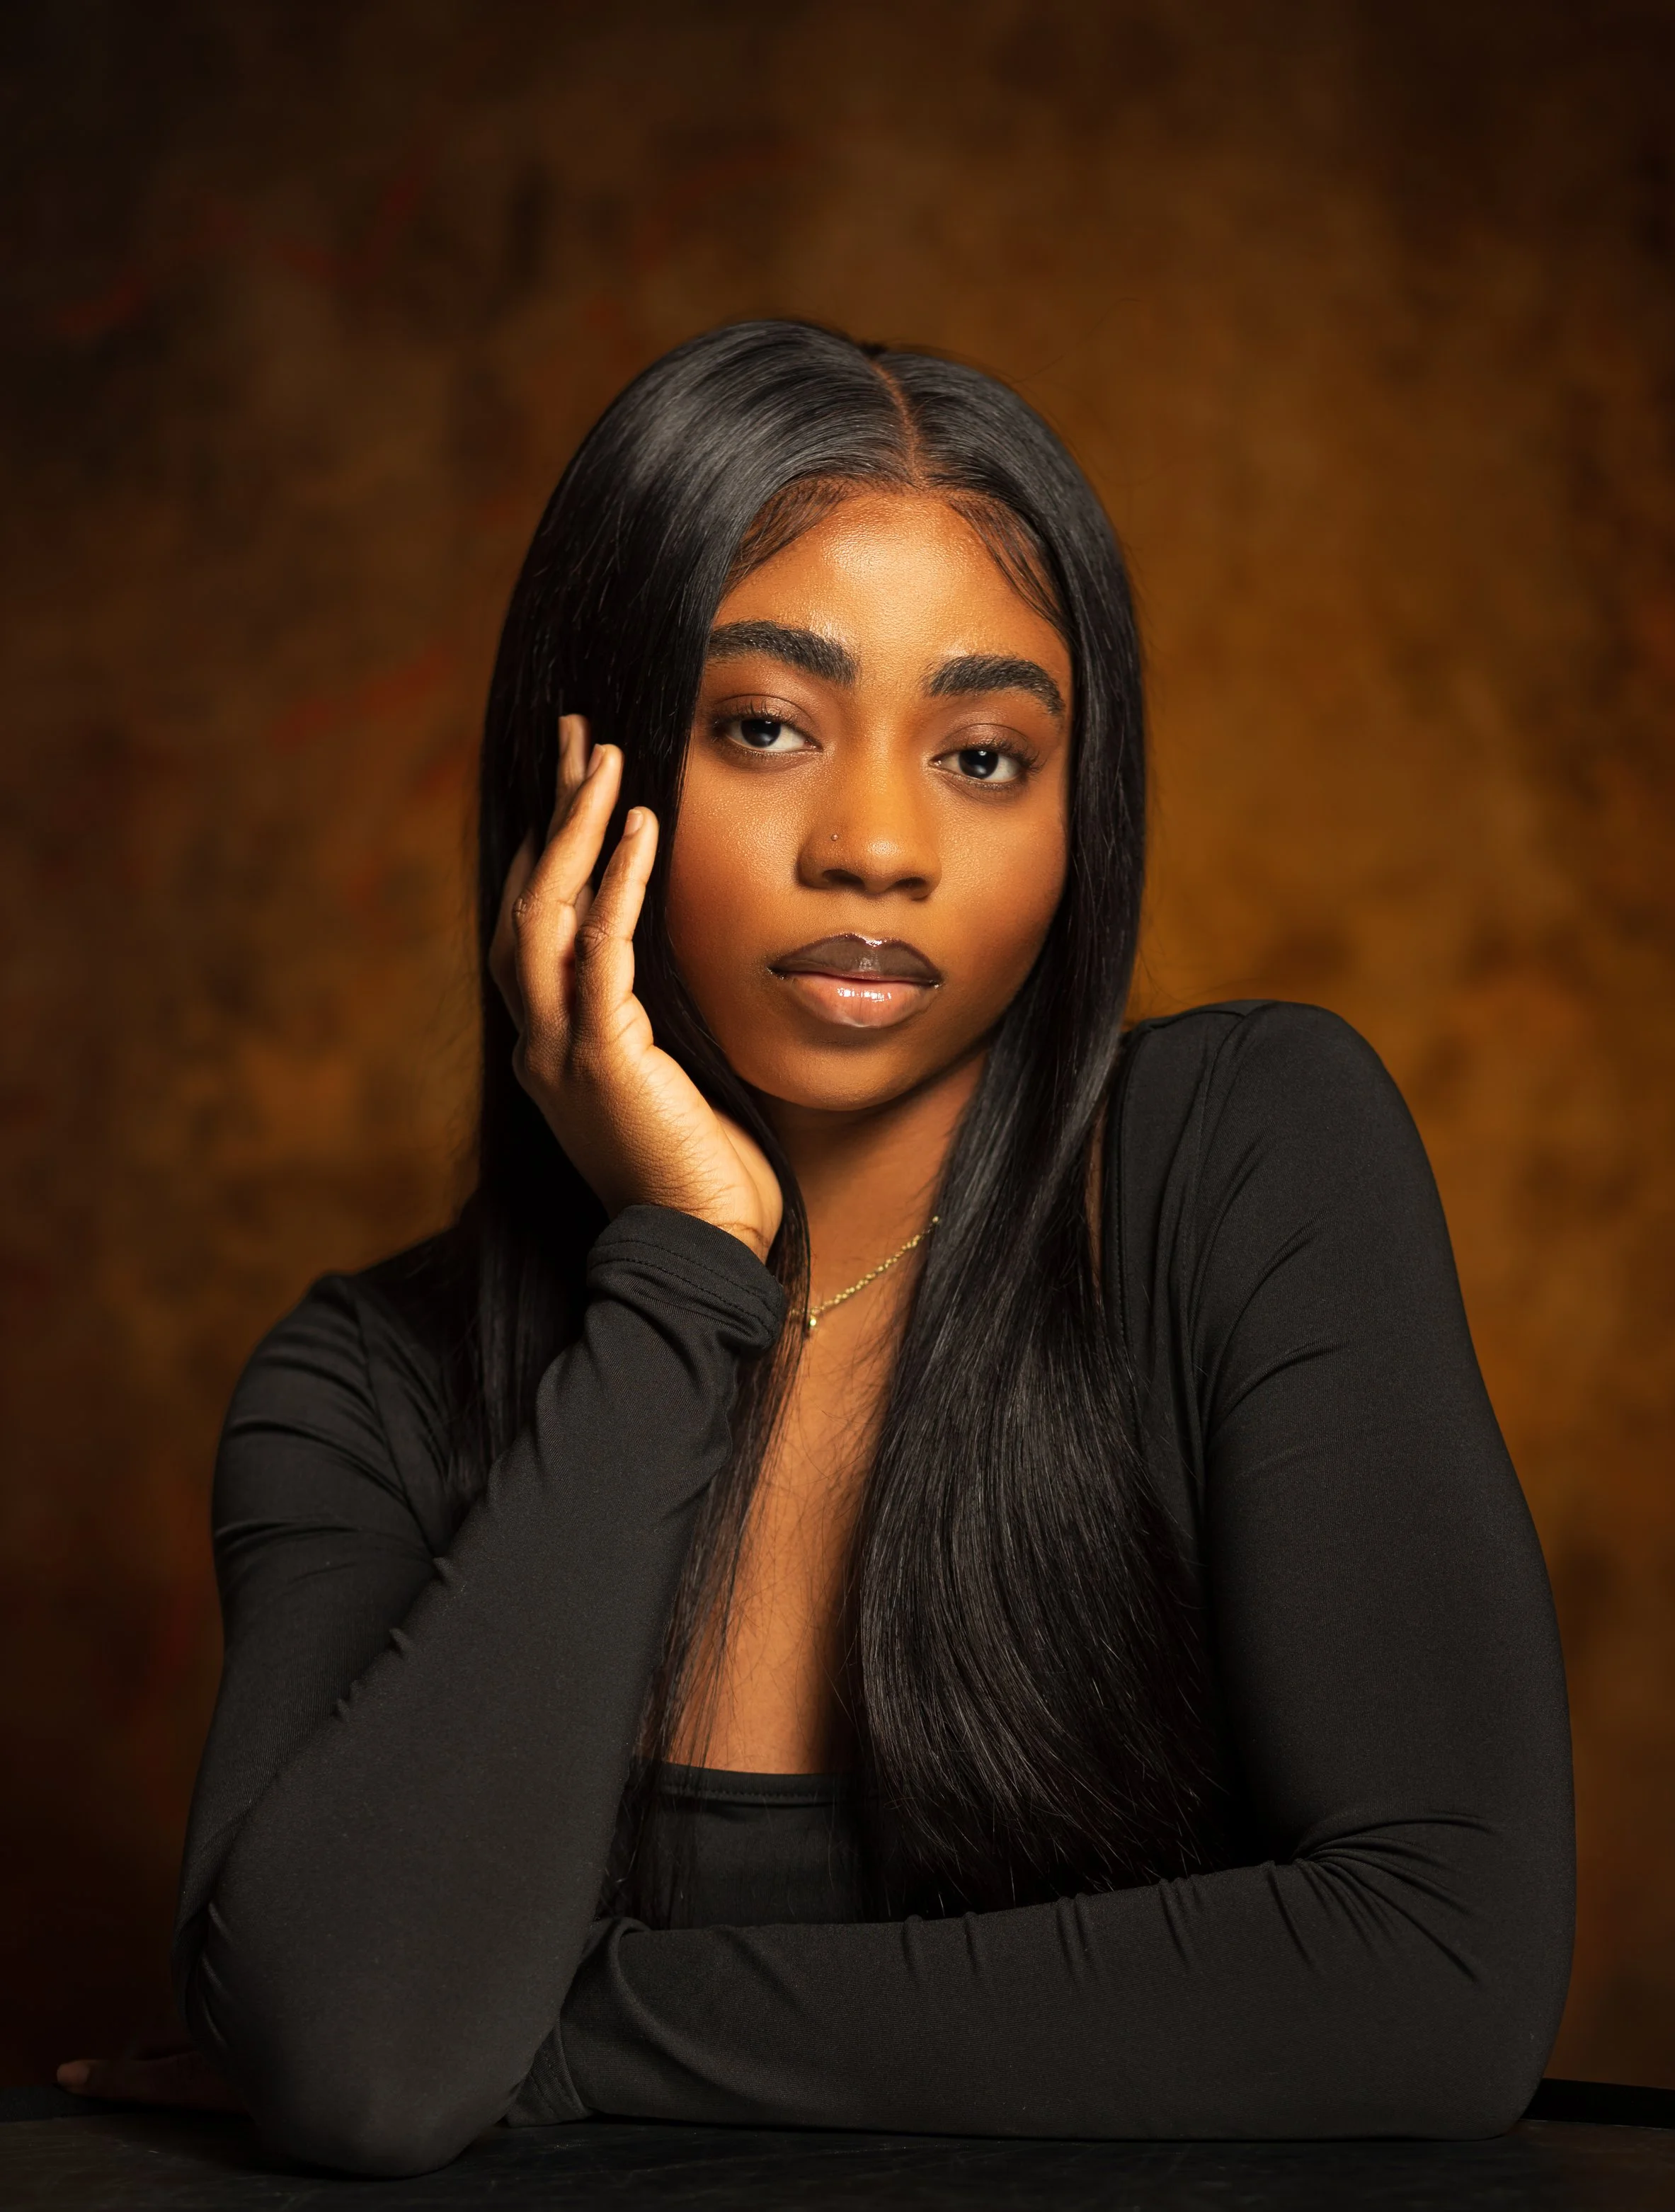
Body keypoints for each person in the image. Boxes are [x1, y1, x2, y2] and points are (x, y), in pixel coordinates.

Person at [59, 321, 1574, 2175]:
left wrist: (566, 2018)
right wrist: (688, 1267)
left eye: (985, 753)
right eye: (765, 727)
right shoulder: (364, 1390)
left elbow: (1435, 1975)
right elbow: (369, 2058)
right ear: (587, 761)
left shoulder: (1238, 1160)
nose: (875, 841)